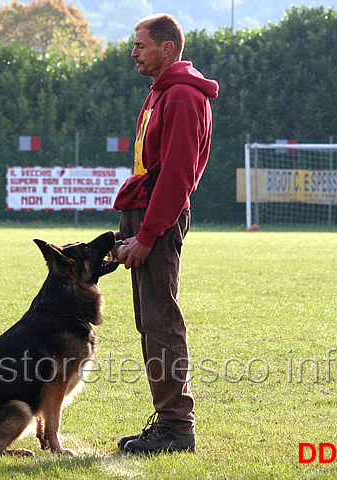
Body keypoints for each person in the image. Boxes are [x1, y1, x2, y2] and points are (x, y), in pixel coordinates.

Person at [113, 13, 219, 454]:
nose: (134, 53)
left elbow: (176, 176)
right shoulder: (163, 93)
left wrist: (148, 234)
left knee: (161, 320)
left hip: (156, 217)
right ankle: (168, 422)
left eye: (140, 45)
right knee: (151, 320)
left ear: (167, 48)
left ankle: (177, 427)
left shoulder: (180, 97)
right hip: (144, 211)